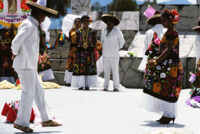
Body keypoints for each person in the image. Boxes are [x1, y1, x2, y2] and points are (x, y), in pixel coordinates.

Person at [11, 0, 61, 132]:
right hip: (24, 64)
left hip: (30, 65)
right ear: (38, 14)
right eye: (43, 14)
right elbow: (16, 42)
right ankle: (21, 122)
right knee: (28, 92)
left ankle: (46, 119)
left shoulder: (34, 25)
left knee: (39, 91)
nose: (45, 17)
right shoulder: (28, 25)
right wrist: (15, 54)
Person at [142, 9, 183, 124]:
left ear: (170, 21)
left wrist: (156, 60)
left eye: (164, 20)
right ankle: (167, 114)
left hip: (170, 65)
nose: (163, 22)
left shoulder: (171, 33)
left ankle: (169, 114)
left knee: (168, 89)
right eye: (162, 20)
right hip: (168, 64)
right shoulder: (169, 32)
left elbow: (168, 49)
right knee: (166, 89)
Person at [71, 15, 97, 90]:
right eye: (84, 21)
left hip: (89, 51)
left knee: (88, 67)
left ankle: (87, 85)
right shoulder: (78, 31)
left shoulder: (93, 31)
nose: (85, 22)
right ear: (82, 22)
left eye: (87, 21)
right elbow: (76, 42)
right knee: (81, 67)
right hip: (81, 52)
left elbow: (95, 42)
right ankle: (81, 84)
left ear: (89, 22)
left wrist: (92, 50)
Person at [101, 13, 125, 91]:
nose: (109, 22)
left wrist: (116, 48)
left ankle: (116, 87)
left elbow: (122, 42)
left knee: (115, 71)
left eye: (111, 21)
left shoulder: (117, 31)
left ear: (113, 23)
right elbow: (102, 41)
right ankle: (105, 87)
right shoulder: (104, 30)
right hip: (105, 54)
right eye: (108, 21)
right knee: (106, 72)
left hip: (114, 55)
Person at [64, 18, 81, 86]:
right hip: (72, 50)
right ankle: (70, 81)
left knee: (78, 64)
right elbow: (70, 40)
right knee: (71, 64)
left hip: (79, 50)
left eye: (78, 22)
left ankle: (77, 82)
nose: (77, 23)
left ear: (80, 23)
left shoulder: (82, 31)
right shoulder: (71, 30)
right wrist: (65, 37)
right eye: (76, 22)